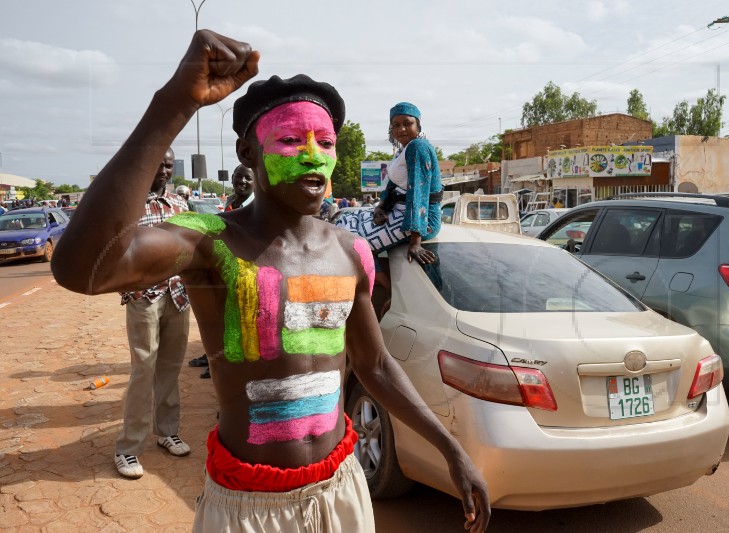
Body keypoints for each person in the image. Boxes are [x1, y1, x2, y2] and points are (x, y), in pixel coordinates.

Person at [51, 30, 489, 533]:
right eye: (289, 140)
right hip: (251, 509)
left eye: (324, 143)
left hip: (340, 492)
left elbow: (375, 366)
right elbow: (83, 268)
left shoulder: (351, 252)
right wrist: (174, 102)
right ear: (247, 153)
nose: (312, 156)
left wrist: (451, 449)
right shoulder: (211, 242)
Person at [116, 147, 193, 479]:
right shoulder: (129, 205)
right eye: (157, 163)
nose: (163, 169)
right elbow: (115, 251)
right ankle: (128, 449)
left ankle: (167, 432)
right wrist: (129, 288)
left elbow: (192, 245)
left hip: (178, 296)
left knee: (171, 368)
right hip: (144, 296)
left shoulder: (180, 204)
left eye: (168, 164)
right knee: (143, 370)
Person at [335, 102, 443, 287]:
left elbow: (419, 191)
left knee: (351, 244)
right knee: (342, 224)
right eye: (396, 125)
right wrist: (380, 208)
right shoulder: (403, 150)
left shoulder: (418, 147)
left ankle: (387, 290)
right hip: (399, 211)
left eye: (407, 123)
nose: (401, 129)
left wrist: (415, 240)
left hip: (420, 221)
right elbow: (391, 184)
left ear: (418, 125)